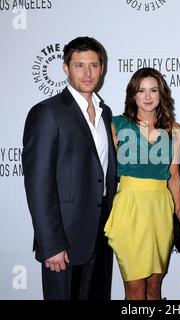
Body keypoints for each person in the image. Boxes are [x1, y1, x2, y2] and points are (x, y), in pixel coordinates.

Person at [22, 37, 117, 300]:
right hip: (63, 238)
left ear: (102, 68)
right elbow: (39, 184)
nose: (87, 73)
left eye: (94, 65)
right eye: (79, 65)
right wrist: (51, 244)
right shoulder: (47, 112)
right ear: (66, 68)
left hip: (100, 234)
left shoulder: (104, 112)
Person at [104, 67, 180, 300]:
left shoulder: (174, 130)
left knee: (153, 289)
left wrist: (179, 215)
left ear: (161, 94)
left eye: (153, 90)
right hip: (129, 207)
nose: (148, 97)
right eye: (141, 91)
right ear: (133, 95)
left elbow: (175, 176)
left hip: (160, 210)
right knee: (135, 291)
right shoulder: (116, 125)